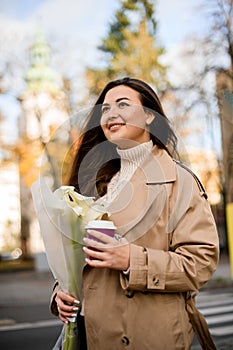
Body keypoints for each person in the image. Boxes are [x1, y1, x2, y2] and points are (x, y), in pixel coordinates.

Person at [50, 77, 219, 350]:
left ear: (150, 116)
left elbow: (199, 263)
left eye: (123, 104)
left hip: (147, 336)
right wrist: (61, 291)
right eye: (104, 108)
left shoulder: (180, 180)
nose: (111, 113)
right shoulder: (96, 184)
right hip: (89, 334)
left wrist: (131, 259)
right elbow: (78, 259)